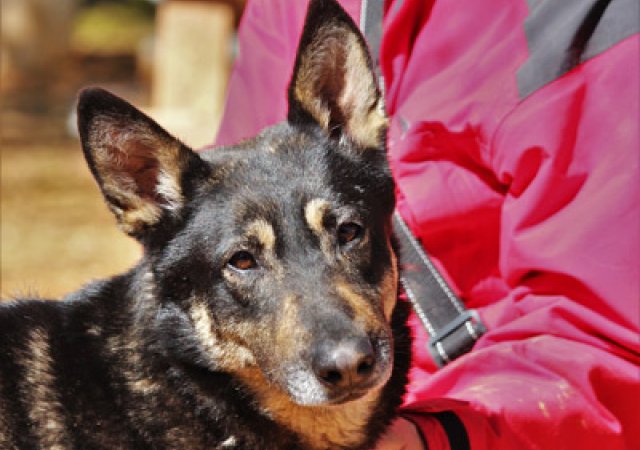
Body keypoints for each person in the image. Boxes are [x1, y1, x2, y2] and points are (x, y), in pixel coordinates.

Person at [211, 0, 640, 449]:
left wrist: (435, 435)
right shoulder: (284, 8)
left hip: (494, 424)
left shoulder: (578, 16)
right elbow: (226, 226)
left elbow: (608, 337)